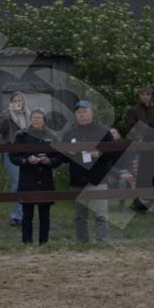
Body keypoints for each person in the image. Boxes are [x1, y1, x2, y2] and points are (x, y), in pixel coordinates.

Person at [59, 100, 128, 243]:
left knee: (100, 215)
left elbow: (115, 153)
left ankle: (102, 243)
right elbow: (61, 158)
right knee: (79, 217)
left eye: (85, 111)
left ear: (91, 113)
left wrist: (100, 154)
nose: (81, 114)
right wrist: (69, 153)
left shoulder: (103, 131)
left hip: (98, 179)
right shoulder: (69, 133)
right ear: (75, 115)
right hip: (77, 180)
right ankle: (82, 243)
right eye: (79, 112)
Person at [13, 109, 58, 244]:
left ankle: (44, 243)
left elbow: (59, 157)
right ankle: (27, 243)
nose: (36, 120)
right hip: (27, 178)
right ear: (30, 119)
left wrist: (50, 161)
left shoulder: (52, 136)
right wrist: (26, 160)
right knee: (27, 215)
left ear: (44, 120)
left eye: (39, 117)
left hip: (45, 178)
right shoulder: (21, 135)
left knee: (45, 216)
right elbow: (13, 156)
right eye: (34, 117)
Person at [0, 94, 30, 226]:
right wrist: (8, 114)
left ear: (24, 102)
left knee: (27, 183)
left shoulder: (29, 115)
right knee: (17, 183)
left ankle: (26, 215)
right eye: (14, 101)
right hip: (12, 152)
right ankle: (16, 216)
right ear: (10, 103)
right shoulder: (6, 114)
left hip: (28, 153)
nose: (17, 102)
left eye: (20, 100)